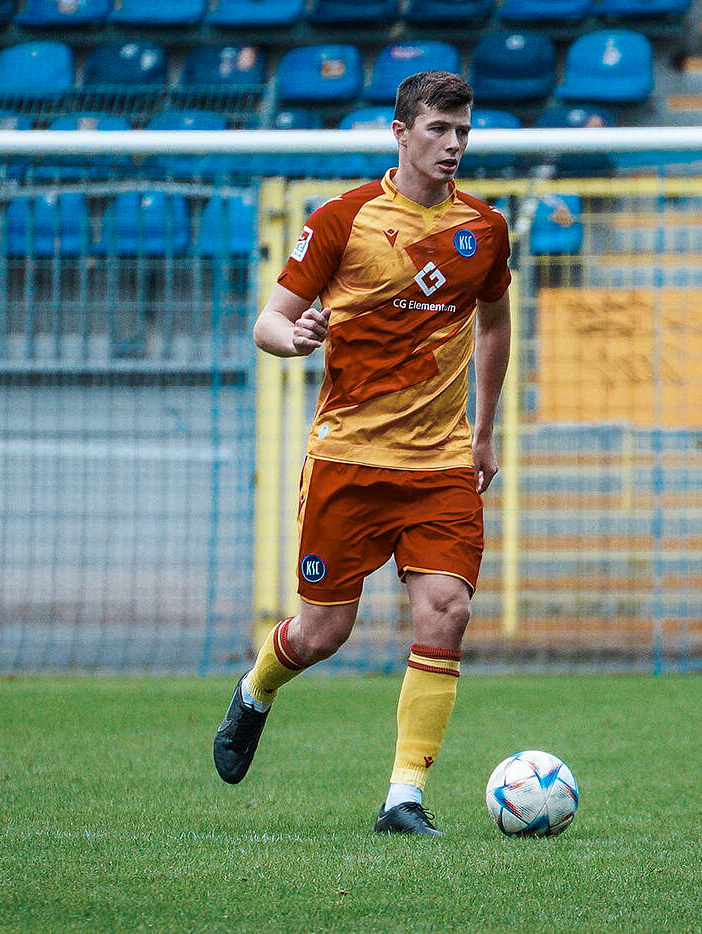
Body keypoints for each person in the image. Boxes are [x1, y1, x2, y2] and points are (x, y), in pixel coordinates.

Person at [213, 70, 512, 836]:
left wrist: (483, 432)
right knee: (323, 634)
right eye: (439, 128)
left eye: (463, 131)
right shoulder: (342, 219)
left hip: (440, 464)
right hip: (348, 459)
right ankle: (255, 690)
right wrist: (296, 338)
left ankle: (403, 797)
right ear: (401, 132)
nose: (453, 144)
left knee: (448, 609)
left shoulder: (485, 229)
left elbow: (495, 324)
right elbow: (268, 322)